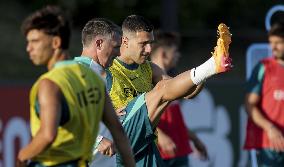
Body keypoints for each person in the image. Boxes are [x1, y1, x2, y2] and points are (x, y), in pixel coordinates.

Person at [17, 6, 135, 167]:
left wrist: (22, 156)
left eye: (35, 41)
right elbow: (118, 132)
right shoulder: (93, 78)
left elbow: (47, 135)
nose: (29, 48)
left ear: (56, 42)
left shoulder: (50, 83)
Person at [151, 31, 208, 167]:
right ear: (163, 54)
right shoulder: (147, 78)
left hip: (180, 152)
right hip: (161, 153)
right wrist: (160, 137)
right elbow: (140, 118)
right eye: (175, 51)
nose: (179, 55)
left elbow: (176, 120)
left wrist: (194, 139)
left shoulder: (172, 79)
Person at [74, 17, 122, 167]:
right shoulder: (80, 73)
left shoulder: (96, 73)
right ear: (99, 44)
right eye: (115, 47)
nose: (118, 53)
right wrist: (98, 141)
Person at [244, 22, 284, 166]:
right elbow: (249, 105)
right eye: (271, 42)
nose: (273, 47)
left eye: (278, 42)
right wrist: (270, 128)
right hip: (270, 145)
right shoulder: (263, 68)